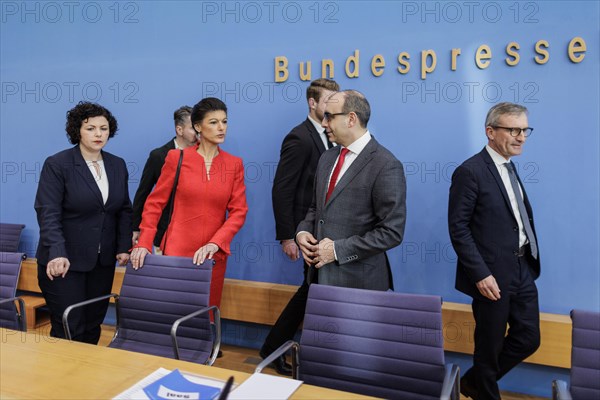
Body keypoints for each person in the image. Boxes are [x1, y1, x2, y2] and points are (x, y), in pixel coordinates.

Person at [448, 102, 541, 400]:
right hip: (490, 276)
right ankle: (484, 388)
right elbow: (458, 228)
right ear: (490, 131)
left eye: (525, 130)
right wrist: (480, 274)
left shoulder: (509, 167)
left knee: (528, 338)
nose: (521, 136)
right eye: (513, 129)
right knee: (488, 348)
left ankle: (474, 382)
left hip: (522, 268)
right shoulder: (470, 171)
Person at [130, 97, 248, 311]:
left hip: (212, 254)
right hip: (177, 252)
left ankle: (206, 346)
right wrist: (144, 242)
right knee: (174, 312)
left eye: (224, 121)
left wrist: (217, 243)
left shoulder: (234, 164)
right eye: (213, 122)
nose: (221, 127)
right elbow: (154, 204)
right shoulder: (177, 158)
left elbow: (239, 211)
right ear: (197, 126)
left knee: (206, 314)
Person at [34, 101, 132, 344]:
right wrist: (57, 253)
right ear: (77, 130)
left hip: (102, 261)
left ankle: (86, 378)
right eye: (91, 128)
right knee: (70, 327)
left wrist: (122, 247)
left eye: (104, 128)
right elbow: (48, 212)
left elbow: (123, 209)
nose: (98, 134)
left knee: (92, 324)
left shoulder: (116, 164)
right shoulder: (58, 164)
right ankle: (61, 380)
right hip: (65, 261)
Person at [260, 78, 340, 375]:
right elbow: (282, 189)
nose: (332, 107)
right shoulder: (299, 137)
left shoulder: (332, 136)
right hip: (305, 233)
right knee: (309, 290)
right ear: (312, 102)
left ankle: (277, 347)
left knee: (312, 290)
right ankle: (274, 347)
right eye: (328, 101)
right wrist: (287, 235)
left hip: (325, 234)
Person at [296, 90, 406, 290]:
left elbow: (391, 232)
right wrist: (302, 231)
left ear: (351, 119)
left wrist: (337, 250)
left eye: (329, 116)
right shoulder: (326, 158)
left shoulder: (385, 164)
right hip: (319, 279)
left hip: (360, 284)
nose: (323, 123)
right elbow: (316, 208)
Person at [131, 106, 196, 250]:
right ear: (179, 130)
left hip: (195, 233)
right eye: (193, 128)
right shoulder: (159, 156)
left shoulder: (204, 156)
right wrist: (136, 228)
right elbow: (143, 193)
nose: (198, 132)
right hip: (164, 233)